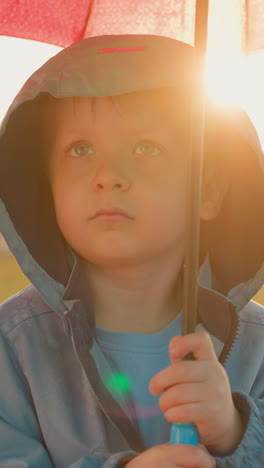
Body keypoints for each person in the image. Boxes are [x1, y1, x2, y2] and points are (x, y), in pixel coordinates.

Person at [0, 34, 263, 468]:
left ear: (208, 191)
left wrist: (236, 431)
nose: (109, 175)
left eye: (147, 148)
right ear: (47, 188)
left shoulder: (256, 345)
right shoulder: (13, 349)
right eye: (80, 149)